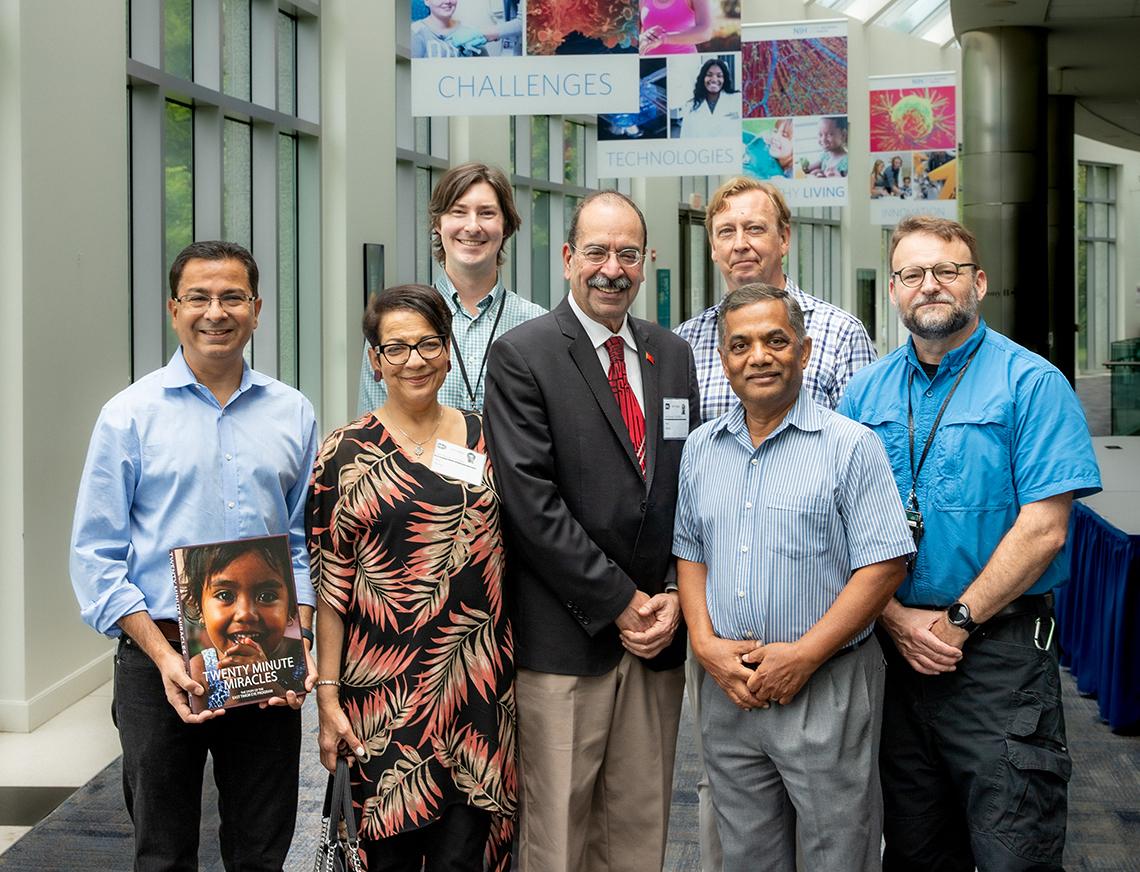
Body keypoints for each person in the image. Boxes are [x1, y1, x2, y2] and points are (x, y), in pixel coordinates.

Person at [838, 215, 1102, 871]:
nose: (929, 284)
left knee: (1016, 854)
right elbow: (835, 525)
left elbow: (1045, 528)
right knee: (916, 852)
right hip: (895, 662)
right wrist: (895, 620)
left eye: (946, 271)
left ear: (976, 283)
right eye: (911, 273)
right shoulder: (864, 393)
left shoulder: (1031, 384)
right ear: (894, 291)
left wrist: (957, 621)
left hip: (1000, 663)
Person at [70, 240, 318, 869]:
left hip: (265, 652)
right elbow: (96, 556)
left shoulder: (292, 412)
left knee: (262, 847)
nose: (217, 311)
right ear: (173, 309)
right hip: (158, 657)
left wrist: (300, 639)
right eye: (199, 298)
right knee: (163, 850)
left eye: (232, 296)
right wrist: (162, 656)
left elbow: (299, 541)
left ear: (257, 309)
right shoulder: (128, 416)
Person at [483, 191, 701, 872]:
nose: (613, 268)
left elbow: (686, 487)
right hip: (565, 641)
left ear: (647, 263)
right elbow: (530, 503)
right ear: (569, 259)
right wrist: (620, 602)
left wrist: (669, 592)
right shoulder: (523, 355)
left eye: (628, 254)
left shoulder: (673, 354)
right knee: (558, 839)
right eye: (598, 252)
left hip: (657, 641)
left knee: (639, 832)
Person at [674, 284, 914, 871]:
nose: (758, 356)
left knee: (839, 852)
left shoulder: (851, 447)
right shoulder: (702, 448)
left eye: (775, 341)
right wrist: (704, 643)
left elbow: (883, 566)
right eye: (741, 345)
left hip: (824, 686)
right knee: (747, 856)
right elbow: (690, 553)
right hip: (729, 690)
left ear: (803, 353)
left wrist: (804, 655)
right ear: (724, 359)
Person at [312, 283, 517, 871]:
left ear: (448, 352)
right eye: (395, 348)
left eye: (428, 344)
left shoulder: (490, 439)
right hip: (383, 700)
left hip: (477, 693)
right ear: (375, 361)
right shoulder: (344, 454)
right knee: (388, 859)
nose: (414, 360)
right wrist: (328, 696)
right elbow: (332, 588)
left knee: (465, 858)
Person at [357, 162, 544, 415]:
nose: (472, 226)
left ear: (507, 226)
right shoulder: (393, 325)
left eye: (487, 213)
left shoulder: (538, 326)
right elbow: (373, 429)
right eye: (458, 212)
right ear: (438, 223)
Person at [180, 538, 306, 710]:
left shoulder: (297, 658)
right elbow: (201, 732)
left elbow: (288, 714)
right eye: (225, 596)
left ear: (291, 607)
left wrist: (265, 684)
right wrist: (237, 691)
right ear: (199, 607)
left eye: (267, 596)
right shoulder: (198, 670)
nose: (246, 614)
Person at [411, 0, 522, 58]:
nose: (448, 1)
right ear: (426, 0)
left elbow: (485, 73)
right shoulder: (416, 33)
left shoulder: (470, 33)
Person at [679, 57, 742, 140]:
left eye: (719, 76)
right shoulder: (690, 106)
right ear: (702, 78)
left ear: (724, 79)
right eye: (709, 75)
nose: (714, 79)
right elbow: (684, 138)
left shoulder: (737, 99)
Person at [640, 0, 713, 55]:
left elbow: (706, 32)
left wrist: (663, 38)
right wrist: (643, 37)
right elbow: (635, 37)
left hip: (683, 63)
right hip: (648, 64)